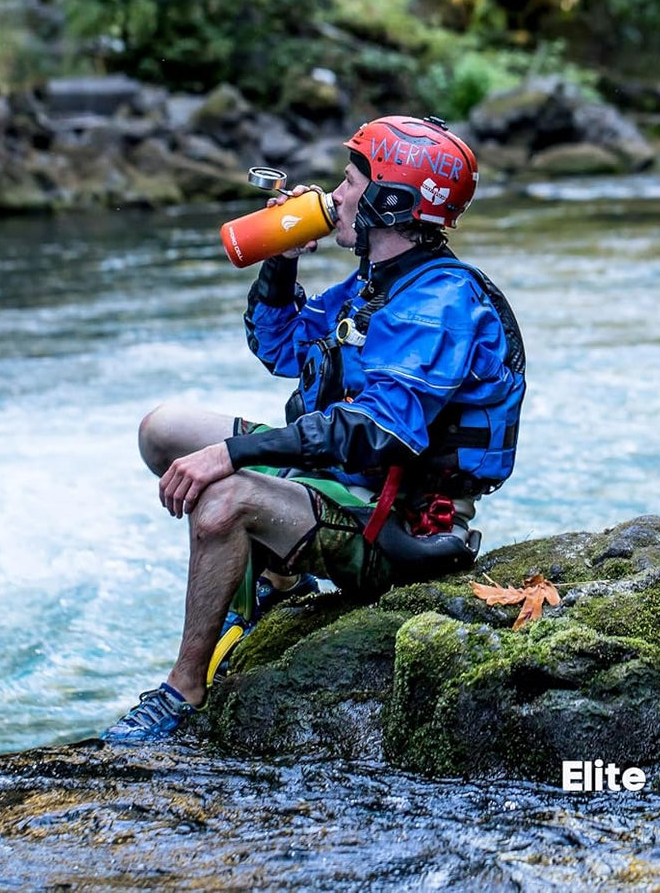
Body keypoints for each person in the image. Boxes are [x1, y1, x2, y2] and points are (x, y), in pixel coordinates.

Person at [104, 115, 526, 741]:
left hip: (400, 522)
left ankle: (184, 689)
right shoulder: (373, 285)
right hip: (337, 482)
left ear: (390, 201)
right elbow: (282, 348)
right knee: (163, 432)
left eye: (349, 181)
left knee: (222, 500)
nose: (333, 195)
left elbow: (376, 432)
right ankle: (285, 576)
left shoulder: (439, 304)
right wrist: (279, 264)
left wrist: (233, 455)